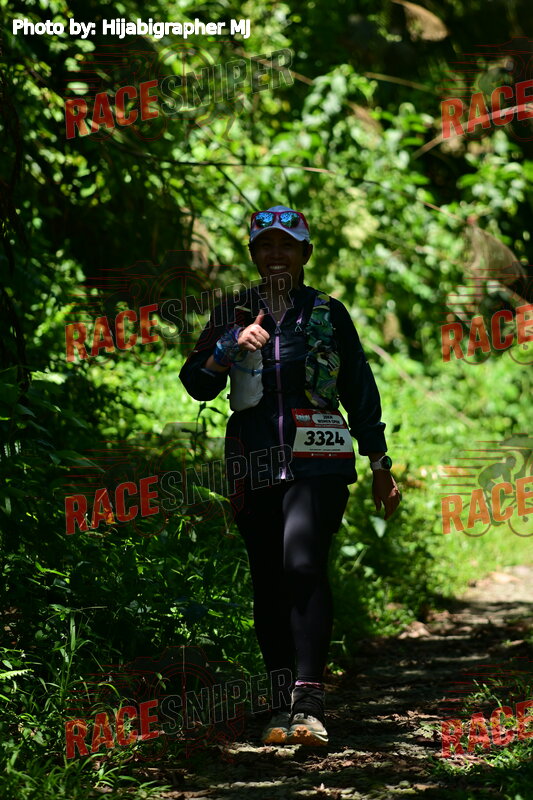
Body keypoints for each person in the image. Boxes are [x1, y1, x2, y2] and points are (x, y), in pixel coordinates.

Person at [179, 205, 401, 747]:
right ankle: (280, 706)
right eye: (265, 245)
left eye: (287, 244)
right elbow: (197, 384)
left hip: (319, 458)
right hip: (252, 457)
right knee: (268, 577)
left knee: (302, 564)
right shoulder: (233, 311)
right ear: (253, 254)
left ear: (305, 253)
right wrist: (228, 349)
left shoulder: (328, 312)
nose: (276, 254)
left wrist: (380, 464)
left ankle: (309, 705)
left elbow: (359, 388)